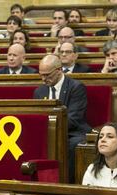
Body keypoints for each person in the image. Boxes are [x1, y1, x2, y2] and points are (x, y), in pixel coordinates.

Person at [34, 54, 91, 183]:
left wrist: (51, 130)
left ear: (59, 70)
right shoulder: (39, 91)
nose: (43, 79)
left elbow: (74, 118)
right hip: (48, 132)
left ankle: (66, 182)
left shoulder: (76, 87)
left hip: (72, 132)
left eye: (47, 75)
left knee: (71, 145)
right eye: (41, 75)